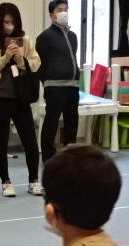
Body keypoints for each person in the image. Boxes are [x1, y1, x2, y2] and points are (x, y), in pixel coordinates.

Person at [0, 2, 43, 198]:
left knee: (30, 141)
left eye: (12, 22)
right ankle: (5, 182)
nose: (9, 25)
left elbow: (36, 64)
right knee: (1, 142)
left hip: (21, 98)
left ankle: (34, 181)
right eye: (6, 22)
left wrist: (21, 60)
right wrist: (5, 58)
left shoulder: (26, 40)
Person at [36, 1, 80, 165]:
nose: (63, 12)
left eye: (66, 9)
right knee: (52, 121)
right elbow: (39, 65)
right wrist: (47, 81)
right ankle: (48, 156)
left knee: (72, 121)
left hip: (72, 86)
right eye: (59, 10)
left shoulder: (73, 36)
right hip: (54, 86)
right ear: (51, 14)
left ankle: (71, 155)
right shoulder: (45, 37)